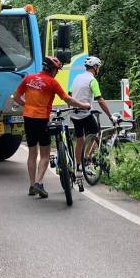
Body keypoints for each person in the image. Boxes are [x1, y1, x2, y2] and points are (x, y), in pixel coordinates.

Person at [13, 55, 90, 198]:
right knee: (45, 155)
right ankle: (38, 183)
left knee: (32, 153)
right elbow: (67, 99)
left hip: (28, 118)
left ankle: (31, 186)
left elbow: (16, 96)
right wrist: (84, 105)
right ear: (52, 69)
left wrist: (28, 106)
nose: (57, 73)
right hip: (42, 120)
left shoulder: (28, 78)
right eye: (57, 70)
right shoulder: (52, 82)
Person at [69, 56, 114, 188]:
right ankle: (86, 159)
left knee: (80, 139)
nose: (98, 69)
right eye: (98, 67)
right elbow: (100, 99)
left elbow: (70, 93)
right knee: (96, 134)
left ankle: (78, 167)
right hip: (85, 113)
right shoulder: (92, 80)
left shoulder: (77, 78)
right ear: (95, 67)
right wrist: (110, 116)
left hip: (74, 113)